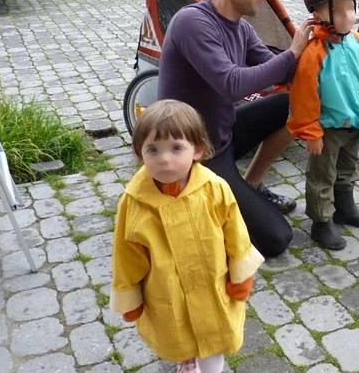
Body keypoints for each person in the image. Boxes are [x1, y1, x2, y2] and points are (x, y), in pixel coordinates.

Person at [157, 0, 312, 258]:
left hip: (222, 134)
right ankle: (195, 203)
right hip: (197, 154)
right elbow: (231, 84)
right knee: (277, 238)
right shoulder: (193, 22)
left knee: (291, 104)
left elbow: (275, 67)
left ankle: (249, 185)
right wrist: (293, 53)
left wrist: (325, 53)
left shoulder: (241, 27)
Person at [110, 99, 264, 373]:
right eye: (153, 150)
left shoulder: (214, 189)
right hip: (167, 292)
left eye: (176, 148)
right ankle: (187, 358)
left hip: (212, 289)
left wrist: (242, 275)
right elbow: (126, 253)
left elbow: (236, 234)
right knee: (181, 337)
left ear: (198, 150)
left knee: (214, 342)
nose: (164, 158)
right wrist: (130, 297)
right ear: (140, 153)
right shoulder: (134, 202)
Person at [287, 0, 359, 250]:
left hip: (354, 124)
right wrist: (310, 132)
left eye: (350, 9)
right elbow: (304, 96)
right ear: (319, 16)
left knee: (347, 168)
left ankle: (345, 207)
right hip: (327, 129)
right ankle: (321, 222)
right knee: (322, 176)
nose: (348, 16)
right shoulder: (313, 52)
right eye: (338, 11)